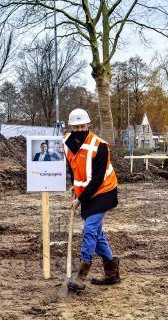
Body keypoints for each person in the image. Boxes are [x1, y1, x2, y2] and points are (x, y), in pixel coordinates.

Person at [62, 108, 121, 292]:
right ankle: (112, 273)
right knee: (97, 234)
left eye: (83, 126)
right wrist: (75, 184)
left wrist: (79, 199)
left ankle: (80, 276)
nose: (80, 129)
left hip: (103, 191)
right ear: (70, 127)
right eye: (76, 127)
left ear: (88, 125)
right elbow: (72, 167)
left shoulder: (100, 146)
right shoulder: (66, 143)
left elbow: (96, 179)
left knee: (89, 230)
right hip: (86, 191)